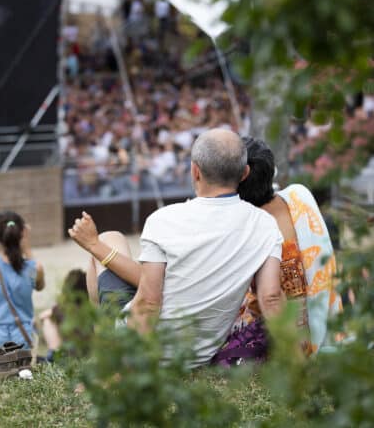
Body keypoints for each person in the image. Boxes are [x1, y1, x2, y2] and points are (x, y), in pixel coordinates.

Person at [69, 129, 284, 368]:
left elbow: (149, 303)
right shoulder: (265, 226)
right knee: (111, 241)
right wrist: (297, 364)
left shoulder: (163, 220)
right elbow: (271, 298)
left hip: (145, 351)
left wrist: (117, 369)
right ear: (244, 173)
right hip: (197, 356)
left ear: (195, 171)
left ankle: (103, 350)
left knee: (109, 239)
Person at [235, 137, 342, 353]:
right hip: (325, 329)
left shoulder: (249, 228)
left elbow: (263, 301)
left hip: (285, 344)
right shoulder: (299, 196)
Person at [0, 212, 45, 348]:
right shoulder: (33, 268)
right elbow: (39, 286)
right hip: (23, 339)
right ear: (23, 233)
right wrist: (27, 248)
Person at [39, 268, 89, 362]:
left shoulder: (60, 309)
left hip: (67, 356)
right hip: (88, 354)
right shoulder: (91, 308)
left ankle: (53, 353)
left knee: (47, 320)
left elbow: (42, 316)